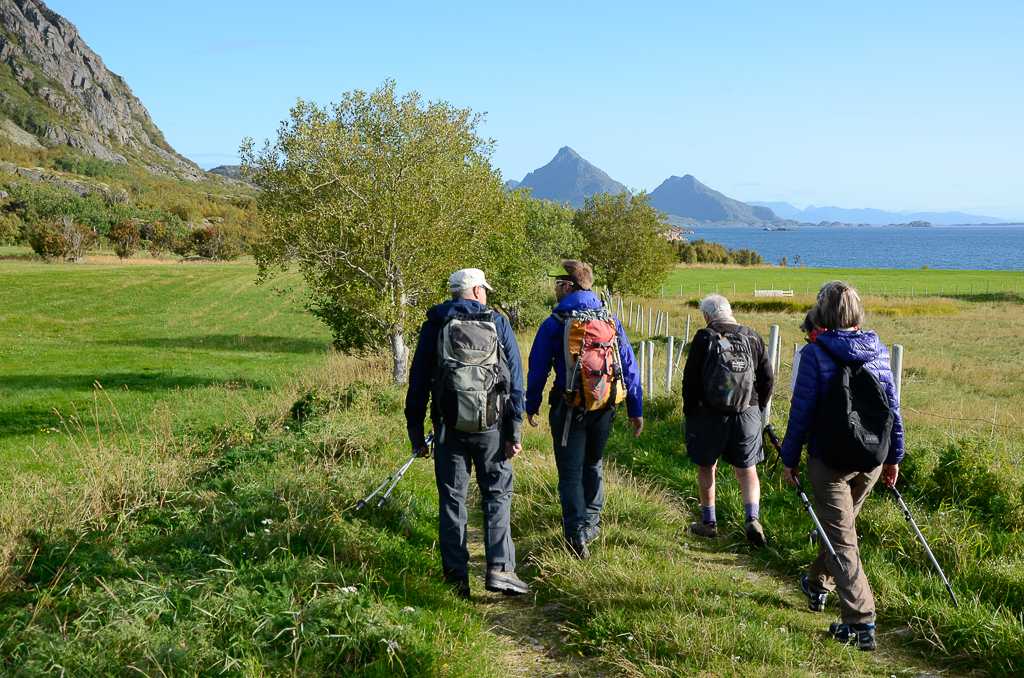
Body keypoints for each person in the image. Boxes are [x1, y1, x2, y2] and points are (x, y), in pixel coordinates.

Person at [780, 280, 904, 652]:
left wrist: (789, 459)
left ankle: (861, 622)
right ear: (857, 313)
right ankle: (818, 584)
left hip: (828, 460)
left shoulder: (815, 355)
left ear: (820, 314)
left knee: (842, 538)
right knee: (840, 531)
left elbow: (800, 414)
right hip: (869, 458)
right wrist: (893, 456)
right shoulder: (878, 351)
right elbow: (892, 410)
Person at [404, 267, 530, 600]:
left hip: (448, 429)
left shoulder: (435, 325)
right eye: (484, 289)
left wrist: (416, 435)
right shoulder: (498, 323)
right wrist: (514, 430)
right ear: (475, 291)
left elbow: (417, 383)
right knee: (497, 494)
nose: (486, 294)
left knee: (452, 501)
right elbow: (515, 380)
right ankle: (501, 570)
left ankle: (456, 579)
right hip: (492, 427)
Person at [525, 260, 643, 559]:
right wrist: (635, 409)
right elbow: (628, 366)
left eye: (557, 284)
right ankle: (591, 525)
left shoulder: (555, 321)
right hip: (604, 407)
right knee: (593, 466)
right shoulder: (610, 319)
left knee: (570, 472)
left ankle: (576, 535)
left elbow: (538, 368)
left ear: (568, 286)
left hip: (568, 408)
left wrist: (531, 405)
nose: (554, 289)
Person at [682, 294, 775, 547]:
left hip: (708, 412)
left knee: (707, 466)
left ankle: (708, 523)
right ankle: (752, 518)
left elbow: (690, 379)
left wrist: (690, 411)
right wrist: (758, 408)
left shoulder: (704, 337)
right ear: (730, 311)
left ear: (707, 316)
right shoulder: (753, 336)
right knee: (747, 471)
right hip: (748, 412)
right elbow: (767, 377)